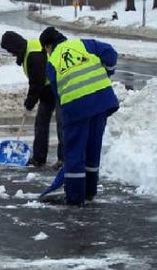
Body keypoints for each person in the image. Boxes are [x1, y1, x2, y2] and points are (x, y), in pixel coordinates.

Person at [40, 26, 119, 207]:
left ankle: (75, 197)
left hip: (76, 108)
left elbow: (58, 94)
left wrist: (66, 116)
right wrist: (108, 71)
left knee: (74, 153)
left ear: (48, 46)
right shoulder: (83, 44)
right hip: (101, 100)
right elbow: (110, 53)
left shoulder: (52, 63)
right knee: (93, 148)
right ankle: (90, 191)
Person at [0, 30, 63, 169]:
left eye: (10, 50)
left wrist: (30, 103)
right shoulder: (26, 50)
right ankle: (39, 158)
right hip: (46, 90)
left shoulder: (34, 55)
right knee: (41, 123)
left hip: (58, 86)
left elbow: (36, 83)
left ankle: (63, 160)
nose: (11, 54)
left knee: (61, 124)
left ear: (15, 46)